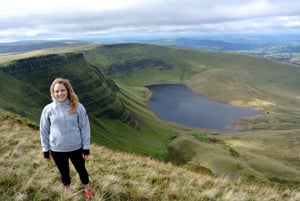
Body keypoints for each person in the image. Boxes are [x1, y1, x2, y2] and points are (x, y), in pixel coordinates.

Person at [39, 77, 93, 198]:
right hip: (57, 149)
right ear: (53, 93)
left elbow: (85, 128)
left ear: (68, 90)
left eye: (63, 90)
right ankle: (67, 188)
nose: (60, 94)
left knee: (81, 170)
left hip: (76, 147)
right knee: (64, 173)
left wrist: (86, 147)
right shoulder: (48, 109)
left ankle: (87, 189)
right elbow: (44, 130)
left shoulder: (78, 107)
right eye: (57, 91)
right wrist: (45, 149)